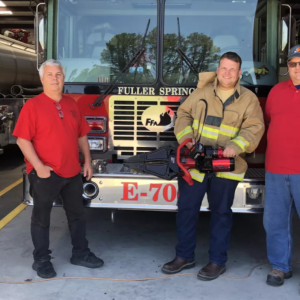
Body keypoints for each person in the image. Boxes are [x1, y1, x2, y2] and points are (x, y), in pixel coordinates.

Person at [162, 52, 265, 280]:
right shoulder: (201, 93)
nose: (227, 73)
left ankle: (217, 261)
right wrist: (187, 139)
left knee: (221, 214)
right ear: (217, 70)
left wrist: (236, 146)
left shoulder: (248, 99)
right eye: (223, 68)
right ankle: (184, 255)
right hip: (195, 165)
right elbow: (183, 115)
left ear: (239, 73)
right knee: (187, 211)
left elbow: (254, 128)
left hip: (226, 166)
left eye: (232, 70)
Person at [13, 59, 103, 279]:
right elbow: (22, 141)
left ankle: (80, 253)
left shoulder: (72, 105)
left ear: (64, 78)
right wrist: (39, 167)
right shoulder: (32, 106)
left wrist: (88, 161)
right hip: (46, 174)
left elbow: (82, 135)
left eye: (59, 74)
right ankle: (41, 260)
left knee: (77, 216)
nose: (55, 78)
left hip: (72, 172)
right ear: (42, 79)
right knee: (41, 219)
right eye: (50, 75)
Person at [263, 45, 300, 287]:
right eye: (293, 64)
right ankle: (280, 267)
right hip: (275, 168)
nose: (297, 69)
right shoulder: (276, 91)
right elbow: (268, 121)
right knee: (275, 222)